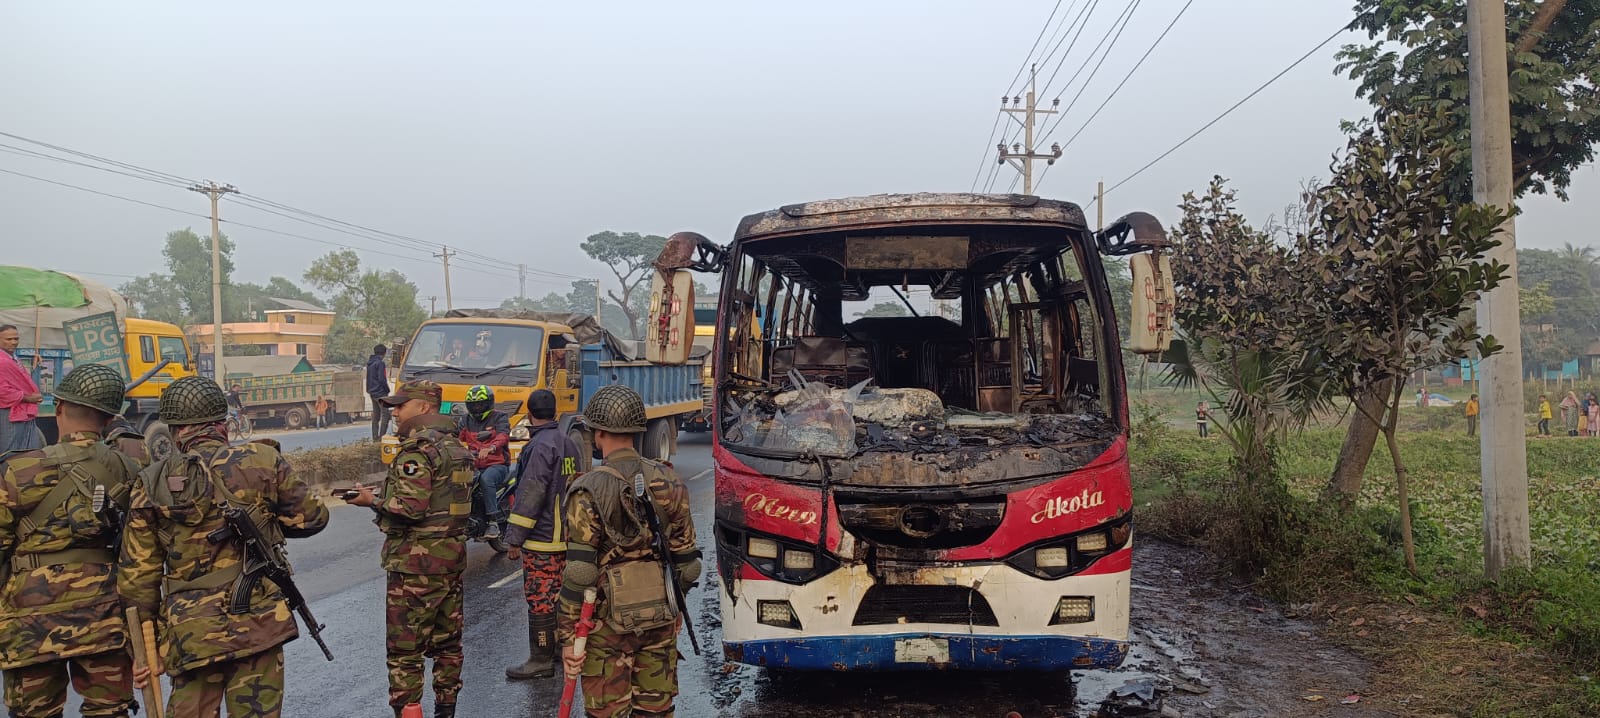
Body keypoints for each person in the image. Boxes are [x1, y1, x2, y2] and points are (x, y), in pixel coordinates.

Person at [118, 376, 329, 717]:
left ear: (174, 431)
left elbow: (137, 578)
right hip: (258, 624)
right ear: (223, 424)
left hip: (190, 632)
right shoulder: (262, 459)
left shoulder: (152, 481)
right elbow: (313, 519)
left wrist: (144, 648)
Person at [0, 364, 140, 718]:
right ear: (108, 421)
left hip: (28, 619)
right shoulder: (126, 468)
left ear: (58, 407)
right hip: (103, 614)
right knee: (109, 710)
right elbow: (142, 549)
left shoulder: (17, 470)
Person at [559, 385, 700, 718]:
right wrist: (674, 604)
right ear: (638, 431)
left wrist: (568, 637)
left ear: (599, 433)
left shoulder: (587, 489)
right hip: (660, 621)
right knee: (656, 711)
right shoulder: (670, 480)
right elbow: (688, 564)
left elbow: (580, 573)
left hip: (606, 629)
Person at [346, 380, 471, 718]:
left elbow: (410, 508)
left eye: (401, 405)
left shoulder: (417, 450)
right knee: (448, 647)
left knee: (405, 654)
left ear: (425, 407)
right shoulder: (455, 447)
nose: (395, 411)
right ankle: (447, 711)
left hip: (415, 567)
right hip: (450, 561)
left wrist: (371, 499)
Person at [503, 389, 582, 680]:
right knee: (562, 596)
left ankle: (540, 659)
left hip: (542, 539)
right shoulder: (569, 443)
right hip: (567, 537)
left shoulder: (538, 447)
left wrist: (514, 539)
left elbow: (531, 494)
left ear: (529, 413)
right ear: (556, 410)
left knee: (540, 599)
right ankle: (562, 651)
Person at [457, 384, 511, 543]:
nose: (477, 408)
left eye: (480, 404)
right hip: (474, 464)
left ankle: (493, 521)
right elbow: (455, 438)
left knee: (486, 479)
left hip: (497, 465)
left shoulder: (499, 417)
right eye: (473, 405)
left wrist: (491, 447)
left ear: (489, 403)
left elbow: (503, 436)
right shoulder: (465, 420)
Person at [0, 324, 46, 453]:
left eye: (16, 339)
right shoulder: (2, 360)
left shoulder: (13, 358)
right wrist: (28, 398)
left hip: (21, 410)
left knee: (27, 450)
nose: (13, 342)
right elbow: (2, 391)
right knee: (9, 452)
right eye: (8, 339)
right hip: (7, 411)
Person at [368, 344, 392, 441]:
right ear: (384, 353)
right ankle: (381, 438)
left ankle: (375, 438)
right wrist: (387, 390)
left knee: (376, 415)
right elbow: (382, 379)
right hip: (380, 392)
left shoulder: (370, 363)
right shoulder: (380, 363)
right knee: (385, 414)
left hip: (372, 392)